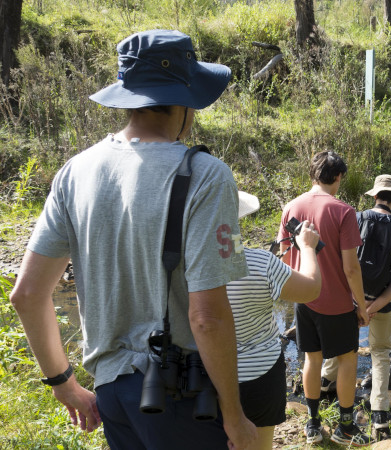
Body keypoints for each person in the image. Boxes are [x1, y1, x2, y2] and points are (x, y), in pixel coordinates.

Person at [9, 30, 259, 449]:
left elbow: (28, 294)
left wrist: (63, 384)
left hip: (113, 395)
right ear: (185, 100)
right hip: (184, 395)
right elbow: (207, 317)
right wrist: (234, 417)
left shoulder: (76, 171)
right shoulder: (206, 175)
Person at [279, 151, 371, 447]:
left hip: (303, 298)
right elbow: (351, 267)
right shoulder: (343, 211)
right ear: (340, 177)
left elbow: (284, 258)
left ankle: (313, 424)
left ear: (313, 174)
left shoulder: (291, 207)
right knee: (347, 360)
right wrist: (361, 304)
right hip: (337, 302)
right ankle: (345, 427)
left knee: (312, 359)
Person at [228, 191, 322, 450]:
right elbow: (312, 288)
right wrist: (307, 248)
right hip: (260, 376)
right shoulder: (260, 263)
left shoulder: (183, 265)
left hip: (204, 375)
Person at [320, 175, 391, 431]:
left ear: (374, 195)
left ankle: (325, 382)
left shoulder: (354, 218)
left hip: (347, 298)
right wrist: (372, 307)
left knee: (341, 345)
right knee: (381, 352)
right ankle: (380, 413)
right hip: (380, 301)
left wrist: (357, 302)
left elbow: (340, 262)